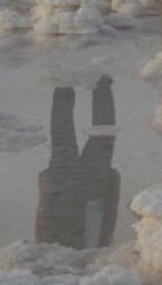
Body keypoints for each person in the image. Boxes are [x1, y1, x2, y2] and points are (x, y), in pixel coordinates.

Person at [36, 77, 120, 249]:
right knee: (63, 137)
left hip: (90, 187)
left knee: (102, 137)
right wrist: (46, 187)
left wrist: (113, 182)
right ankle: (64, 84)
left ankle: (98, 84)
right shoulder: (51, 253)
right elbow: (43, 224)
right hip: (67, 188)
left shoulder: (93, 255)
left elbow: (108, 220)